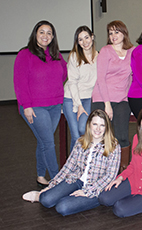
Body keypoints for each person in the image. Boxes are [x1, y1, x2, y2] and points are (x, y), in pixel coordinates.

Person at [22, 109, 121, 216]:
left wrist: (87, 192)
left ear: (107, 127)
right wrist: (52, 186)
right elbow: (68, 167)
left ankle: (86, 200)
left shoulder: (114, 146)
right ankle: (51, 195)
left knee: (62, 207)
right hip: (76, 180)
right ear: (89, 125)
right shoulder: (80, 142)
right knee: (45, 199)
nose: (98, 129)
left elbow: (110, 176)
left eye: (102, 125)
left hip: (97, 188)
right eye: (95, 124)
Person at [13, 20, 67, 187]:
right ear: (35, 34)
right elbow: (19, 83)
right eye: (42, 32)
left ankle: (40, 175)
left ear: (53, 37)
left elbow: (64, 74)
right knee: (49, 142)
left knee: (44, 141)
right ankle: (57, 179)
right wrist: (26, 106)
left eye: (49, 33)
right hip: (34, 106)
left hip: (55, 105)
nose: (45, 36)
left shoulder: (56, 54)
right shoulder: (25, 54)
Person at [92, 20, 135, 172]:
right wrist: (107, 104)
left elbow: (131, 77)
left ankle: (123, 169)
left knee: (122, 136)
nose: (113, 35)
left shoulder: (132, 51)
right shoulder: (105, 51)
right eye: (110, 33)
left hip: (122, 99)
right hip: (102, 97)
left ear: (124, 33)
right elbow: (101, 78)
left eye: (116, 32)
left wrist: (129, 97)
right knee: (101, 136)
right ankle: (101, 169)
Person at [63, 26, 98, 152]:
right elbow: (72, 82)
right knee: (76, 135)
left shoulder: (100, 57)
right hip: (71, 97)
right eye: (80, 40)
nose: (85, 42)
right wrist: (78, 105)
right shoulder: (74, 56)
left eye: (87, 37)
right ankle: (75, 167)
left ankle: (75, 164)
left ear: (92, 37)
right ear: (77, 42)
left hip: (88, 97)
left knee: (83, 130)